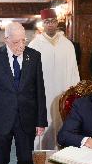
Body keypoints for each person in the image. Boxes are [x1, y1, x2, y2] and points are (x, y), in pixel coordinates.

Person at [0, 22, 47, 164]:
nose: (21, 45)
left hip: (27, 119)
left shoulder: (34, 56)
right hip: (0, 121)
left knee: (26, 163)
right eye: (16, 42)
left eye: (24, 40)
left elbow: (39, 90)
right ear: (6, 40)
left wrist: (41, 120)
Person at [28, 8, 80, 149]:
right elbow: (29, 76)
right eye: (47, 22)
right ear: (42, 24)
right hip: (43, 97)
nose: (50, 24)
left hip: (64, 96)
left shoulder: (68, 45)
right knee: (43, 131)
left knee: (64, 126)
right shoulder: (33, 46)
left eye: (53, 21)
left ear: (57, 22)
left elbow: (74, 72)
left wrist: (74, 95)